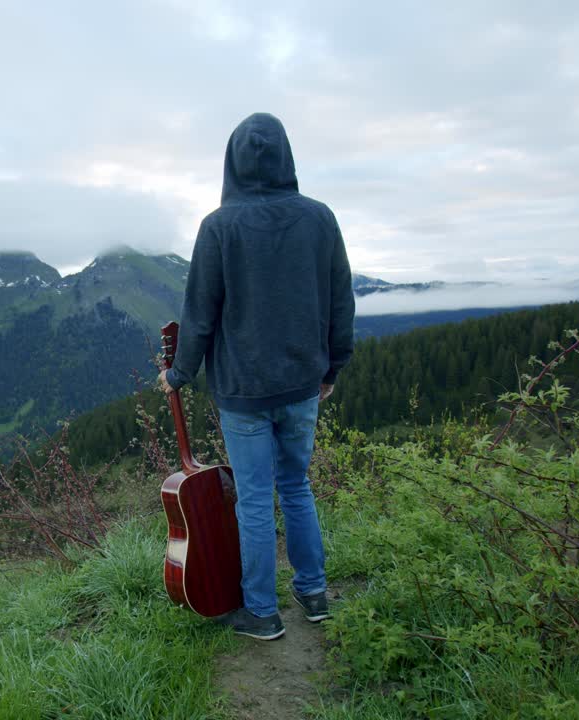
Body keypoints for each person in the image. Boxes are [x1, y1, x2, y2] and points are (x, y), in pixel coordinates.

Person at [158, 112, 355, 641]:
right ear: (287, 157)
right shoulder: (320, 219)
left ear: (232, 162)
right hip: (302, 383)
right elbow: (341, 300)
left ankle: (262, 613)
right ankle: (314, 594)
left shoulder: (219, 227)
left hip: (243, 391)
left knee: (253, 497)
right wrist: (332, 366)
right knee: (296, 485)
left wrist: (178, 374)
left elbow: (200, 313)